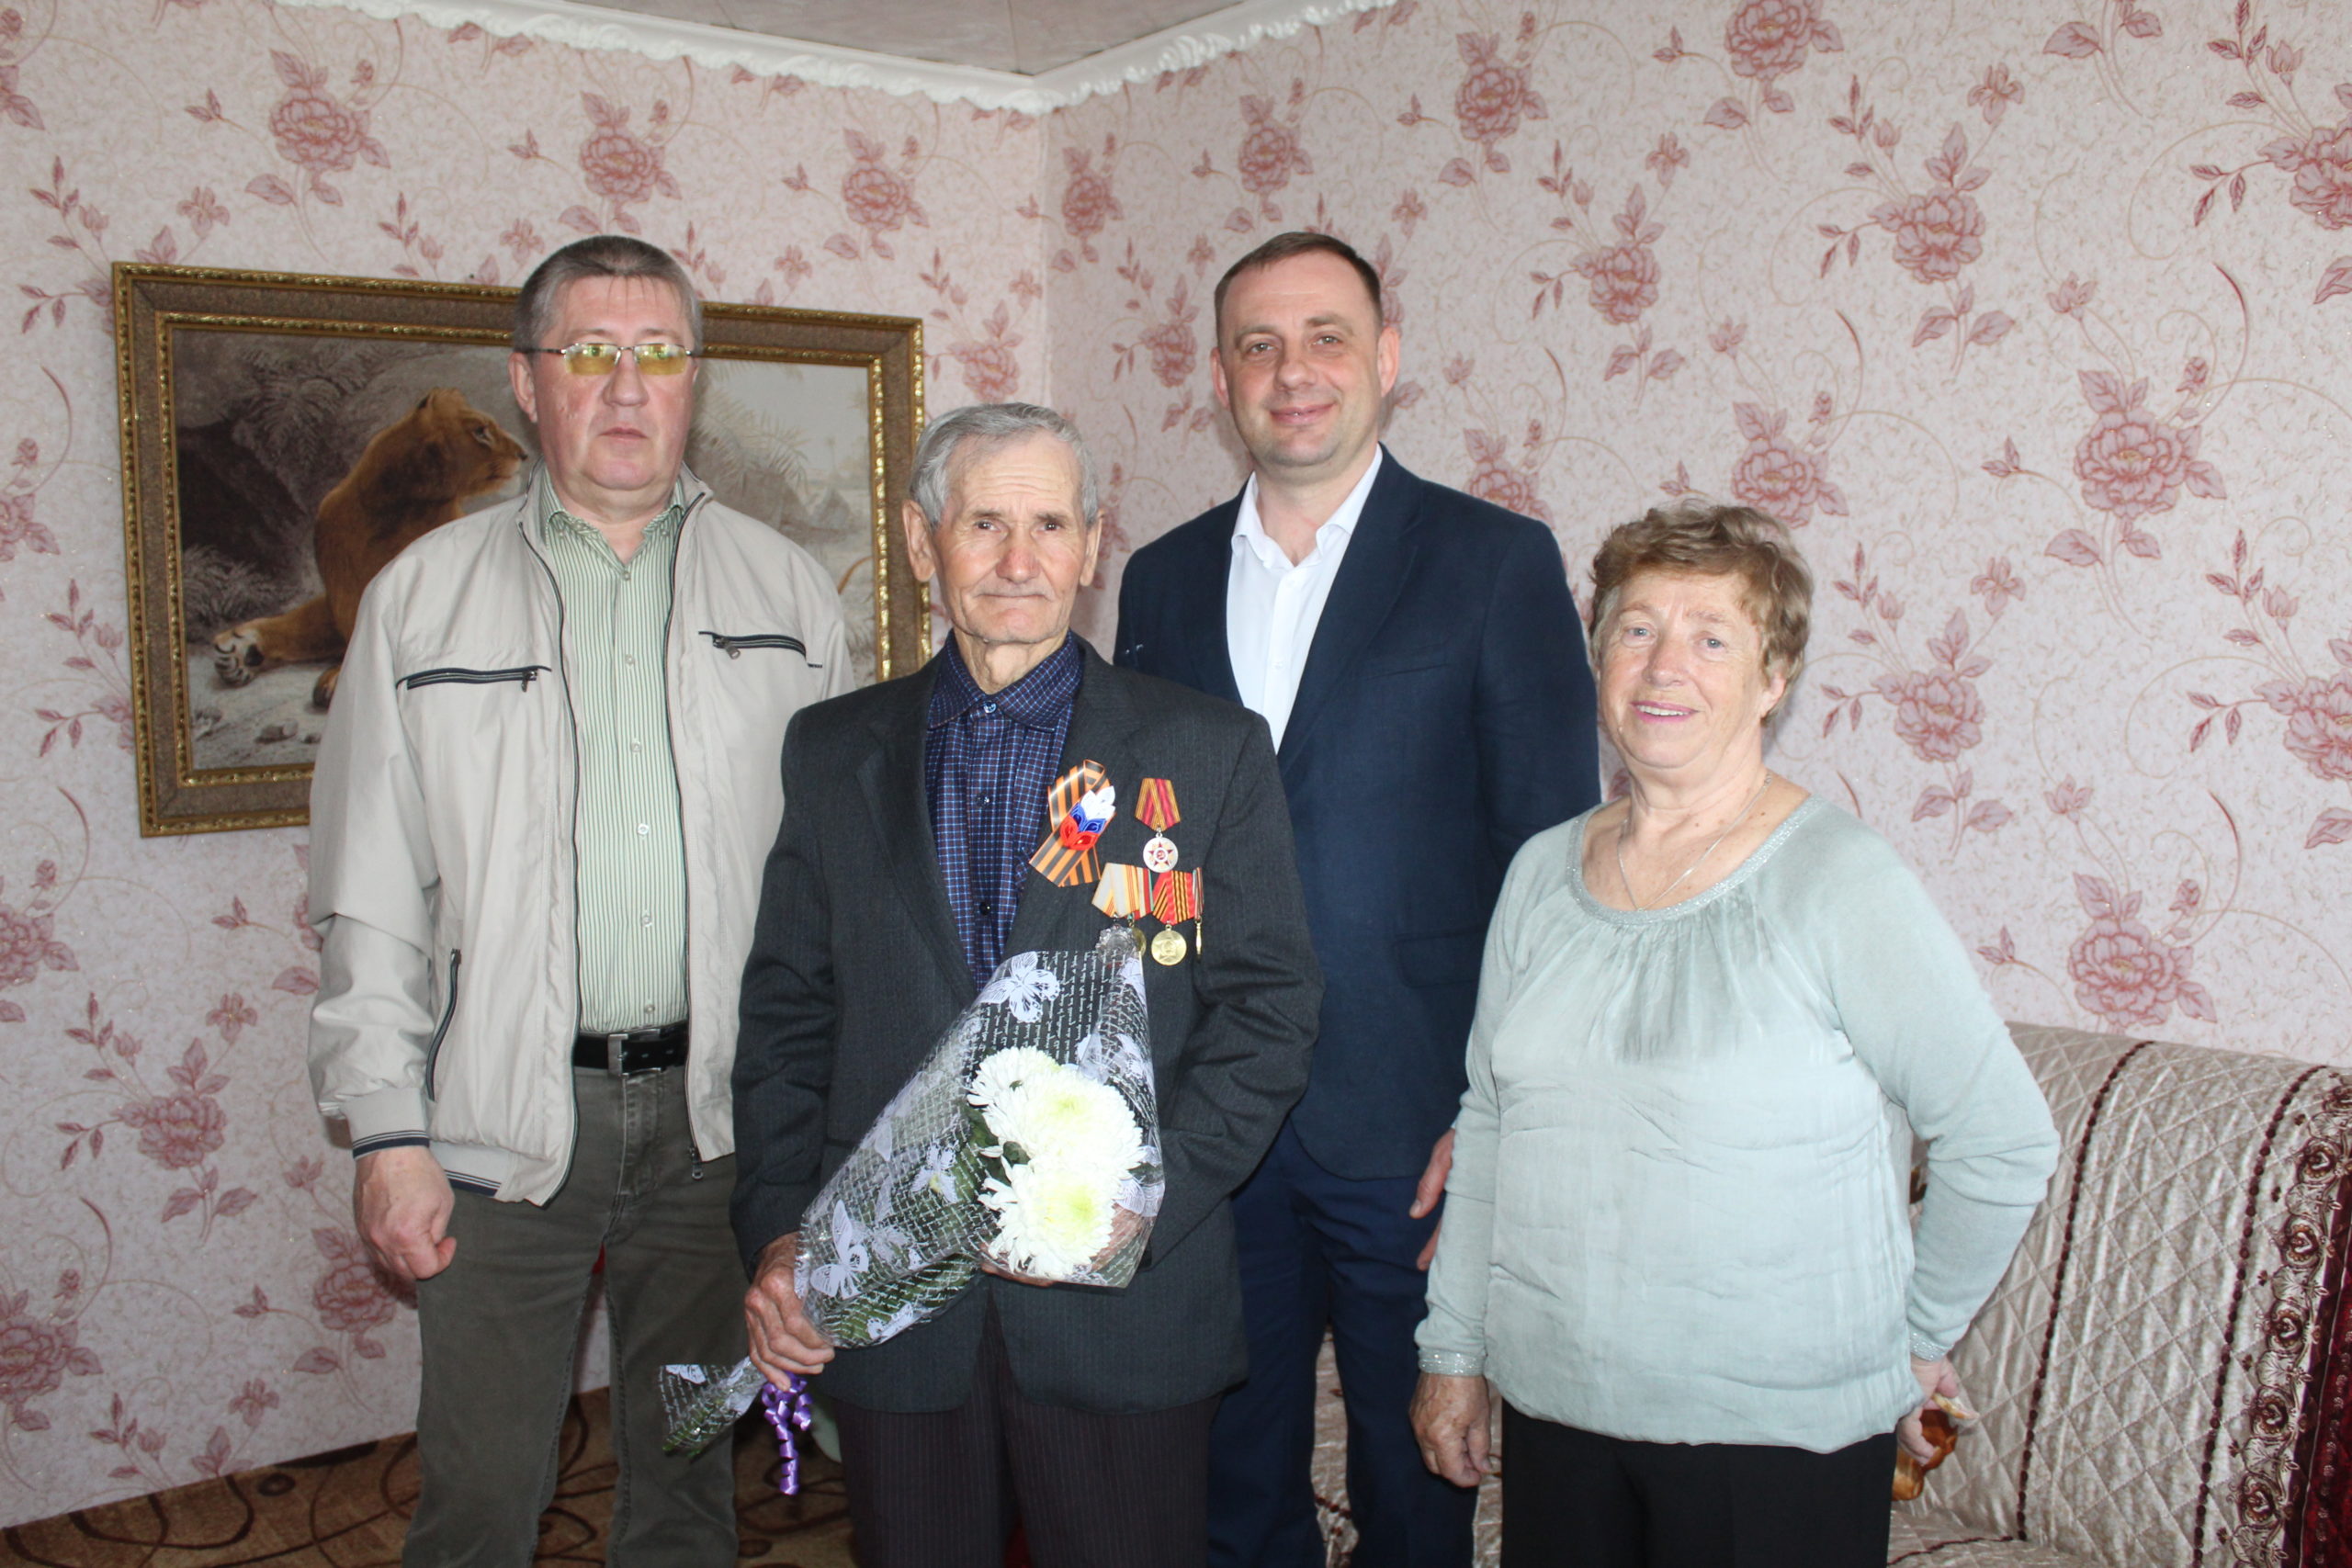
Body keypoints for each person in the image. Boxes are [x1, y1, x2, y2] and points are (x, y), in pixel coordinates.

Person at [306, 233, 852, 1567]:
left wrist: (823, 1123)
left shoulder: (788, 593)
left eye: (658, 353)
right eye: (590, 352)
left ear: (694, 379)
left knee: (688, 1496)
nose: (625, 385)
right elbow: (368, 886)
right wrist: (385, 1132)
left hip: (720, 1129)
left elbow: (837, 886)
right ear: (525, 380)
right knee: (479, 1501)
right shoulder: (421, 599)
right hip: (498, 1125)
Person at [1408, 502, 2061, 1566]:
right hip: (1555, 1413)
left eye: (1712, 637)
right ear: (1598, 660)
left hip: (1777, 1444)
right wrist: (1453, 1354)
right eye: (1635, 629)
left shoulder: (1840, 881)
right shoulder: (1537, 874)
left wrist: (1909, 1343)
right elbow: (1488, 1126)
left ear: (1773, 680)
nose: (1664, 665)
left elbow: (2002, 1140)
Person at [731, 402, 1323, 1568]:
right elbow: (787, 1016)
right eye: (983, 524)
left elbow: (1269, 1010)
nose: (1017, 560)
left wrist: (1140, 1203)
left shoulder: (1207, 751)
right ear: (922, 542)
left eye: (1049, 525)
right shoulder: (833, 751)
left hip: (1122, 1316)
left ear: (1092, 545)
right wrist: (782, 1232)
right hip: (893, 1298)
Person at [1114, 231, 1598, 1567]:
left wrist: (1496, 1113)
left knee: (1416, 1483)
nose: (1295, 370)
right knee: (1229, 1479)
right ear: (1221, 378)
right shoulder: (1158, 578)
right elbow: (1143, 859)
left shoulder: (1494, 561)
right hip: (1212, 1120)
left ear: (1386, 358)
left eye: (1326, 336)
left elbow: (1550, 868)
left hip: (1414, 1125)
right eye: (1259, 345)